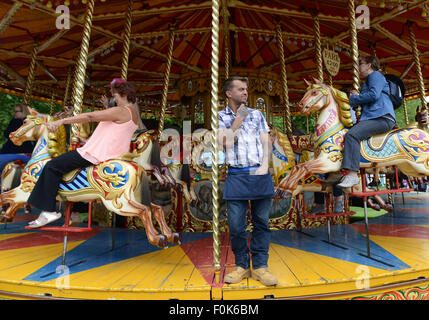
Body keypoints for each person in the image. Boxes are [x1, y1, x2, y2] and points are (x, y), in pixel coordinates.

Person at [26, 81, 139, 228]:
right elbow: (113, 134)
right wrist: (87, 140)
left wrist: (62, 121)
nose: (114, 99)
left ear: (124, 94)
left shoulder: (123, 110)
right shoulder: (132, 114)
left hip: (94, 155)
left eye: (115, 96)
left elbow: (90, 117)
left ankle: (49, 211)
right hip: (106, 152)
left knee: (52, 166)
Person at [218, 76, 277, 286]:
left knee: (262, 223)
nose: (245, 92)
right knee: (235, 226)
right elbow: (224, 142)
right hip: (237, 174)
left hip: (258, 173)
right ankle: (241, 265)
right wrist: (239, 118)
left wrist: (265, 165)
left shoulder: (258, 114)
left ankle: (260, 266)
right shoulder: (220, 117)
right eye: (241, 89)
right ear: (229, 93)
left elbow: (266, 141)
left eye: (246, 89)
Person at [337, 56, 396, 188]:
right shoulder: (369, 80)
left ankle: (352, 175)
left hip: (381, 116)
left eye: (360, 64)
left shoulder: (375, 75)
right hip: (377, 116)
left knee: (352, 135)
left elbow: (374, 94)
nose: (358, 67)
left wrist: (355, 98)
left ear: (369, 65)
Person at [0, 104, 35, 175]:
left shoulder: (16, 121)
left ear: (23, 112)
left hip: (15, 153)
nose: (14, 113)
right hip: (29, 154)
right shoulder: (32, 123)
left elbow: (7, 134)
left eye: (16, 111)